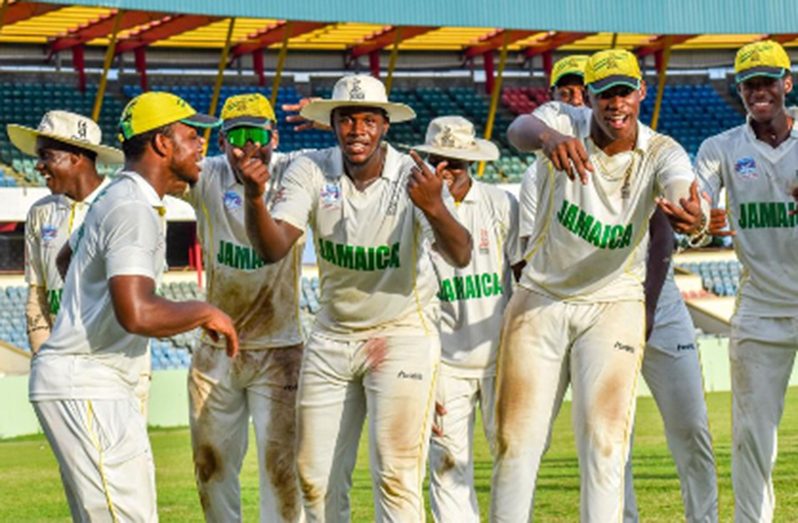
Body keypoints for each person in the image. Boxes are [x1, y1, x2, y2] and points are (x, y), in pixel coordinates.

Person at [490, 49, 708, 522]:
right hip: (542, 297)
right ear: (587, 97)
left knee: (605, 441)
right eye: (604, 94)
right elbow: (518, 129)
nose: (615, 103)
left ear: (641, 92)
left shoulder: (659, 150)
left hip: (613, 300)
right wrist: (548, 138)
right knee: (516, 442)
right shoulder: (563, 121)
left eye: (624, 92)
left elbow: (680, 188)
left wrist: (694, 215)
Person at [242, 74, 471, 522]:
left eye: (369, 119)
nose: (357, 130)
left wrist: (435, 205)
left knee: (396, 474)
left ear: (385, 125)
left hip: (401, 332)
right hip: (332, 335)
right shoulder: (310, 168)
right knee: (314, 477)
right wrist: (254, 199)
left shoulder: (413, 175)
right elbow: (273, 248)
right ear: (333, 124)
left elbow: (460, 253)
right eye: (347, 119)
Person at [27, 91, 238, 522]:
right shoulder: (131, 206)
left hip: (90, 381)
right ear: (162, 143)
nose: (202, 144)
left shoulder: (116, 196)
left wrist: (88, 303)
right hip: (89, 382)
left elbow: (68, 258)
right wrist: (205, 311)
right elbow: (138, 314)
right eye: (192, 135)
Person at [184, 92, 306, 522]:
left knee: (282, 472)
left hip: (281, 347)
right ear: (221, 143)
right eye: (237, 137)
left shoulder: (297, 171)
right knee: (210, 465)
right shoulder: (207, 176)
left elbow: (353, 154)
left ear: (275, 136)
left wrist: (329, 119)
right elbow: (154, 173)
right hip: (216, 347)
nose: (249, 148)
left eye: (258, 135)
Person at [696, 39, 798, 523]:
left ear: (787, 85)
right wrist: (697, 218)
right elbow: (694, 202)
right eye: (749, 84)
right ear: (740, 91)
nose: (759, 91)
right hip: (760, 308)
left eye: (767, 82)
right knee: (753, 437)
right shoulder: (720, 148)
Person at [412, 116, 521, 523]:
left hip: (501, 357)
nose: (449, 169)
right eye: (440, 159)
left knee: (514, 457)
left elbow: (522, 276)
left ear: (472, 161)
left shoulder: (500, 203)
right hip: (444, 363)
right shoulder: (415, 210)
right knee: (447, 464)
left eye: (458, 161)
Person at [11, 111, 121, 353]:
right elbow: (37, 295)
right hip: (58, 365)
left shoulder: (122, 206)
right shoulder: (40, 212)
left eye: (46, 156)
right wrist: (42, 356)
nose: (38, 166)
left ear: (76, 157)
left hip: (113, 363)